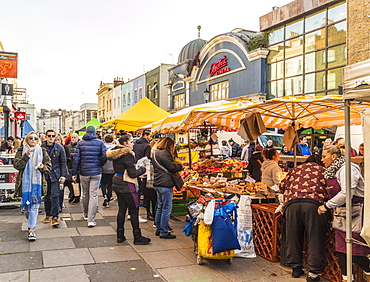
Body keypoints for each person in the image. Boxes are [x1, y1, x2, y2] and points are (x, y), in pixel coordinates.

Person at [318, 145, 370, 281]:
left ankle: (368, 271)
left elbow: (347, 193)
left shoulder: (348, 169)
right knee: (342, 252)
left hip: (356, 214)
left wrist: (327, 206)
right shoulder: (333, 171)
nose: (322, 160)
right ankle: (347, 279)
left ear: (334, 157)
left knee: (356, 251)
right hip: (341, 215)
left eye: (324, 156)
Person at [279, 154, 330, 281]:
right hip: (314, 205)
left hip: (292, 205)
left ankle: (296, 268)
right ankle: (313, 273)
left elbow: (281, 186)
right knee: (315, 238)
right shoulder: (324, 171)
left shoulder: (295, 169)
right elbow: (331, 190)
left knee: (293, 236)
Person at [108, 133, 151, 245]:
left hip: (117, 181)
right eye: (131, 142)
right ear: (125, 143)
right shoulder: (127, 154)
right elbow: (132, 174)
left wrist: (136, 173)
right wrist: (142, 169)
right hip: (127, 184)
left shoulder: (115, 153)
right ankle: (137, 237)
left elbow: (125, 169)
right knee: (134, 210)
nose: (133, 144)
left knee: (122, 209)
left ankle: (120, 235)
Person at [14, 132, 52, 241]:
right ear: (27, 139)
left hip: (37, 184)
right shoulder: (21, 151)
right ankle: (30, 218)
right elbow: (17, 166)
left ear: (38, 140)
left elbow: (49, 167)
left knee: (34, 206)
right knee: (26, 209)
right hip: (24, 184)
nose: (33, 140)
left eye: (35, 138)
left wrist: (42, 166)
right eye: (30, 138)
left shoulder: (42, 151)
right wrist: (25, 156)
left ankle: (31, 230)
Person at [72, 126, 107, 227]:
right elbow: (104, 156)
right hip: (96, 171)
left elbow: (76, 159)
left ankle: (86, 214)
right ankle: (91, 220)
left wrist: (74, 173)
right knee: (93, 195)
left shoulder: (80, 143)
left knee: (85, 194)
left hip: (84, 172)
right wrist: (100, 164)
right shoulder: (100, 143)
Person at [152, 137, 183, 239]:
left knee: (160, 206)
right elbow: (172, 167)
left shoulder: (156, 152)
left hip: (158, 182)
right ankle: (164, 231)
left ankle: (159, 228)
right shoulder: (165, 153)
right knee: (166, 208)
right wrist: (180, 166)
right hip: (165, 183)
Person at [41, 129, 67, 227]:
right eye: (49, 136)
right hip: (45, 174)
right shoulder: (42, 147)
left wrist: (63, 175)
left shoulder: (59, 148)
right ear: (46, 136)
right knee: (47, 196)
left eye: (52, 136)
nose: (51, 138)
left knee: (55, 195)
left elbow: (63, 162)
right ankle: (48, 214)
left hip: (56, 175)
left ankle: (55, 217)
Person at [133, 130, 152, 221]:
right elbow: (147, 160)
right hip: (143, 171)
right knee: (145, 192)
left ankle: (133, 212)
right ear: (146, 135)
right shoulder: (147, 146)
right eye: (150, 136)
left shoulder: (135, 144)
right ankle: (147, 212)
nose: (151, 138)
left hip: (136, 169)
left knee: (137, 192)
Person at [55, 133, 71, 212]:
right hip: (54, 172)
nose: (57, 141)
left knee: (61, 189)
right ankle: (56, 204)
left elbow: (69, 159)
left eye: (58, 140)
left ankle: (60, 204)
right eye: (56, 140)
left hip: (62, 171)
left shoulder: (65, 148)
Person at [102, 134, 115, 208]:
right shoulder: (114, 148)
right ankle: (109, 196)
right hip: (112, 168)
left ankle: (105, 196)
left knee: (103, 184)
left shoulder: (102, 147)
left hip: (104, 168)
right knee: (110, 185)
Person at [66, 133, 80, 203]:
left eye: (75, 137)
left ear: (77, 138)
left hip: (77, 167)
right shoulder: (68, 146)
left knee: (77, 182)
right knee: (70, 182)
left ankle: (77, 196)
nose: (73, 139)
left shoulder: (79, 145)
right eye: (72, 137)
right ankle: (72, 194)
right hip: (69, 166)